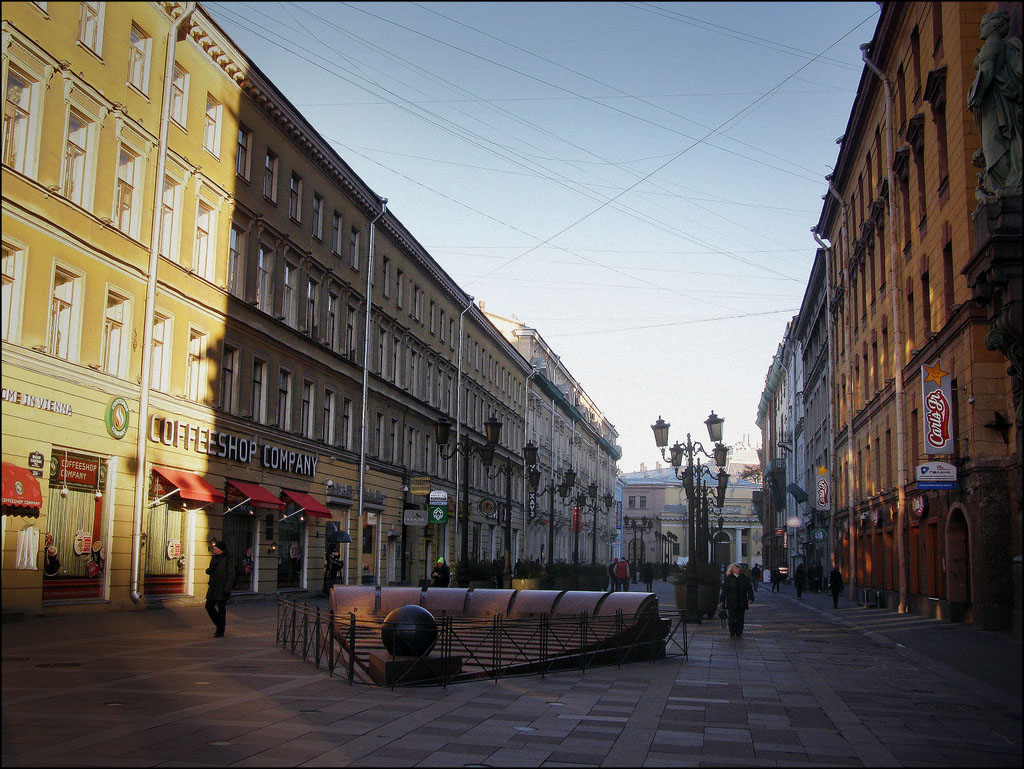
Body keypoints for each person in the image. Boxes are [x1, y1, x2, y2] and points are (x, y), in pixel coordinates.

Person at [967, 11, 1022, 200]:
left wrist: (976, 96)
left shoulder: (991, 46)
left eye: (984, 24)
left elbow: (988, 72)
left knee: (995, 146)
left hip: (996, 107)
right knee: (994, 145)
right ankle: (1007, 183)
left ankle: (1008, 183)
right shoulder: (995, 46)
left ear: (995, 26)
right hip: (998, 105)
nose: (980, 28)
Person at [205, 540, 234, 638]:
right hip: (213, 586)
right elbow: (212, 570)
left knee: (221, 609)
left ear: (220, 549)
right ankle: (220, 623)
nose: (214, 549)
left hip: (223, 588)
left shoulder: (228, 558)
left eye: (216, 548)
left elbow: (231, 575)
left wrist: (228, 588)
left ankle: (220, 630)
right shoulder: (214, 558)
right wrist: (209, 571)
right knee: (208, 606)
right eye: (214, 548)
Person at [719, 563, 755, 637]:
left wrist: (750, 598)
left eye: (738, 568)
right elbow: (724, 591)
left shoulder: (744, 578)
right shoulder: (728, 579)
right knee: (731, 619)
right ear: (732, 570)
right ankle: (732, 631)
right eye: (735, 568)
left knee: (740, 618)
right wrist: (722, 600)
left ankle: (739, 632)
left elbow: (749, 589)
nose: (737, 570)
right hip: (731, 602)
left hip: (741, 601)